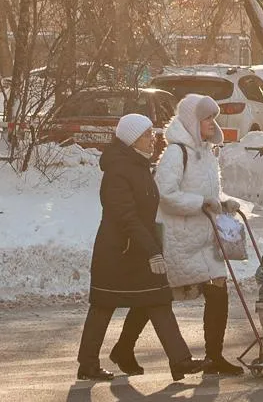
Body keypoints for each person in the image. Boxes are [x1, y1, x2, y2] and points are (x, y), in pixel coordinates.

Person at [108, 94, 243, 377]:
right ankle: (123, 347)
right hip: (179, 241)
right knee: (156, 297)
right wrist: (201, 203)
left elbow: (207, 192)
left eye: (213, 117)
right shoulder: (175, 153)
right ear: (193, 120)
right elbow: (166, 194)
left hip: (205, 239)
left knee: (218, 288)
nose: (211, 123)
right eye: (206, 117)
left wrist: (223, 202)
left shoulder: (206, 152)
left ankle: (214, 356)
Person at [76, 113, 207, 382]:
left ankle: (179, 360)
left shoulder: (138, 165)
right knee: (103, 306)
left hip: (137, 250)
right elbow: (126, 217)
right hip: (118, 253)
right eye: (147, 135)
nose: (153, 139)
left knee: (159, 300)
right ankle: (87, 364)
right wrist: (152, 250)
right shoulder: (118, 171)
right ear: (133, 139)